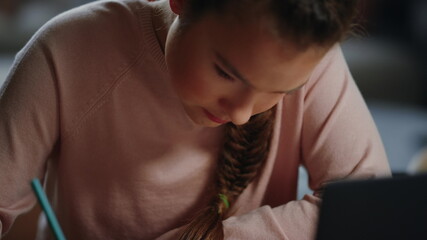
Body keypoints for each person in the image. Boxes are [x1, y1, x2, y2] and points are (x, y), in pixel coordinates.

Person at [0, 0, 391, 239]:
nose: (240, 114)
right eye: (226, 72)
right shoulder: (66, 54)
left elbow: (370, 209)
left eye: (282, 91)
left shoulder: (310, 59)